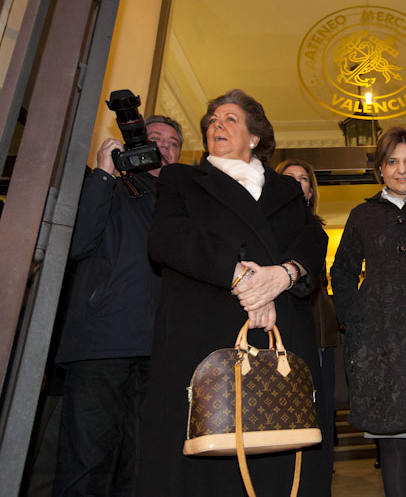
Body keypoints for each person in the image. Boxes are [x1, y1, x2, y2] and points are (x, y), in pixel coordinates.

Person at [136, 90, 329, 496]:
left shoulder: (287, 190)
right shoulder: (182, 179)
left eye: (230, 119)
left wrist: (285, 274)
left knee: (279, 456)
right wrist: (240, 278)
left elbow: (312, 240)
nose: (216, 126)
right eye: (212, 121)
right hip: (204, 335)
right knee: (205, 465)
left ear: (254, 137)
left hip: (280, 336)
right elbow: (168, 239)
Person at [53, 115, 183, 496]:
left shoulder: (180, 204)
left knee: (142, 467)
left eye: (173, 142)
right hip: (100, 347)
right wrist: (105, 173)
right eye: (155, 138)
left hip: (158, 353)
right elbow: (75, 245)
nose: (163, 146)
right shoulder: (107, 186)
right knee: (86, 462)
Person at [331, 127, 406, 497]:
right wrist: (355, 320)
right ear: (380, 169)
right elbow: (342, 271)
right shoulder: (362, 215)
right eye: (393, 161)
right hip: (380, 347)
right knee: (393, 444)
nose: (402, 170)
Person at [276, 158, 339, 477]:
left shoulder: (317, 230)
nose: (297, 184)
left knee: (320, 413)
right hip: (279, 332)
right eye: (289, 178)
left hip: (318, 333)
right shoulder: (266, 225)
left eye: (303, 179)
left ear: (311, 191)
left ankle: (319, 477)